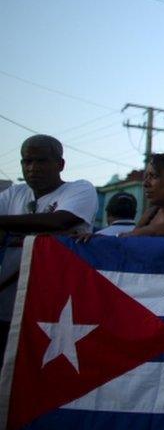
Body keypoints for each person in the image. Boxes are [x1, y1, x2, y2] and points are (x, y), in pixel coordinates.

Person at [0, 135, 98, 358]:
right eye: (27, 162)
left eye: (41, 161)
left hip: (54, 310)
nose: (33, 168)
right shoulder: (15, 193)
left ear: (60, 164)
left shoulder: (80, 189)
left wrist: (8, 229)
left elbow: (59, 221)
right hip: (8, 303)